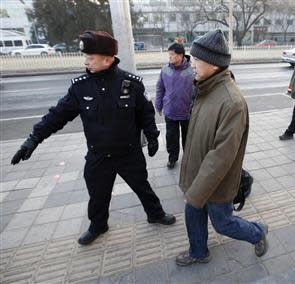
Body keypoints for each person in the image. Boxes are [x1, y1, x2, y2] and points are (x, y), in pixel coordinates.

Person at [10, 31, 176, 245]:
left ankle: (155, 214)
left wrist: (153, 137)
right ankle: (98, 225)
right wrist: (34, 138)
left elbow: (146, 113)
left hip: (129, 153)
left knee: (142, 186)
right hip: (98, 156)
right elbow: (57, 115)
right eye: (86, 57)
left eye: (90, 58)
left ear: (107, 60)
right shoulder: (80, 87)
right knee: (98, 194)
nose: (85, 62)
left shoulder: (130, 83)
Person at [176, 29, 269, 266]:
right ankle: (198, 252)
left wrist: (196, 192)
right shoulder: (205, 87)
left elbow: (220, 157)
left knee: (223, 223)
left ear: (214, 64)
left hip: (216, 183)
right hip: (197, 175)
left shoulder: (231, 102)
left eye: (196, 60)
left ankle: (257, 232)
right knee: (192, 214)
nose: (191, 64)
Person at [155, 43, 193, 169]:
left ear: (181, 55)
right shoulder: (165, 69)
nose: (169, 57)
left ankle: (188, 158)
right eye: (169, 54)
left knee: (188, 137)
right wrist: (158, 105)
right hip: (170, 110)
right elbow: (160, 88)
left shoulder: (191, 69)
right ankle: (172, 158)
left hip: (187, 111)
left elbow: (198, 89)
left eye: (172, 54)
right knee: (171, 137)